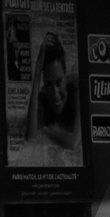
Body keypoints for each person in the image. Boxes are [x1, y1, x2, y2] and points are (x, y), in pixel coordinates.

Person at [21, 32, 81, 165]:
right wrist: (36, 74)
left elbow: (73, 143)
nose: (54, 94)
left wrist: (48, 130)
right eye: (48, 84)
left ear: (65, 75)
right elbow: (30, 137)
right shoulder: (42, 96)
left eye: (59, 82)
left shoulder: (76, 88)